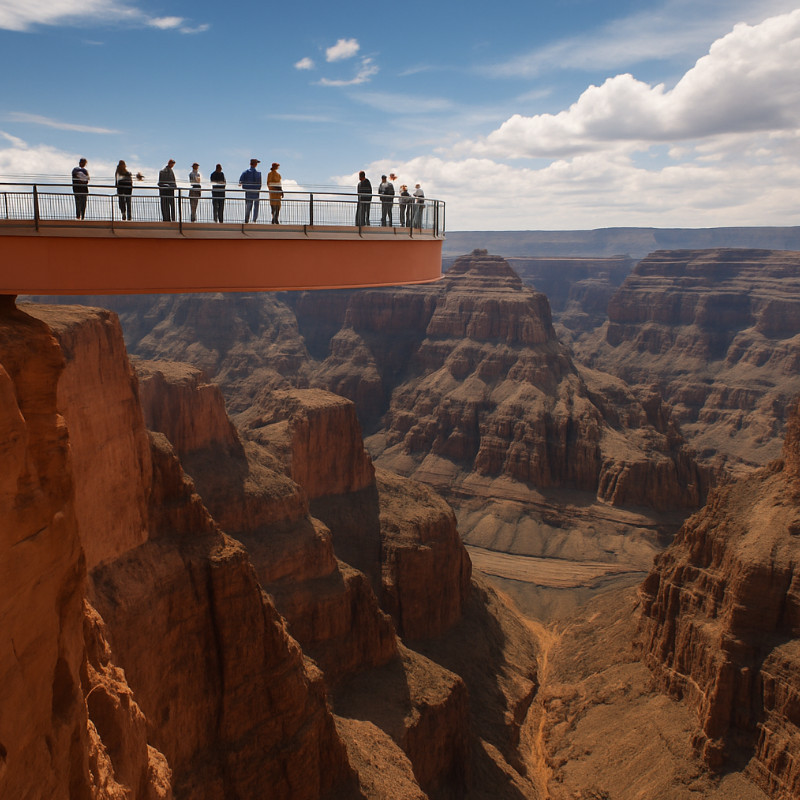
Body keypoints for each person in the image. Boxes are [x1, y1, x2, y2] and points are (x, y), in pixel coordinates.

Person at [239, 158, 262, 223]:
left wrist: (243, 185)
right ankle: (254, 220)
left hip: (248, 192)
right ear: (256, 164)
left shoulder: (245, 172)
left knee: (248, 206)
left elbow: (241, 181)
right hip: (256, 192)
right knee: (256, 207)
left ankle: (247, 219)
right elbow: (260, 183)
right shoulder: (258, 173)